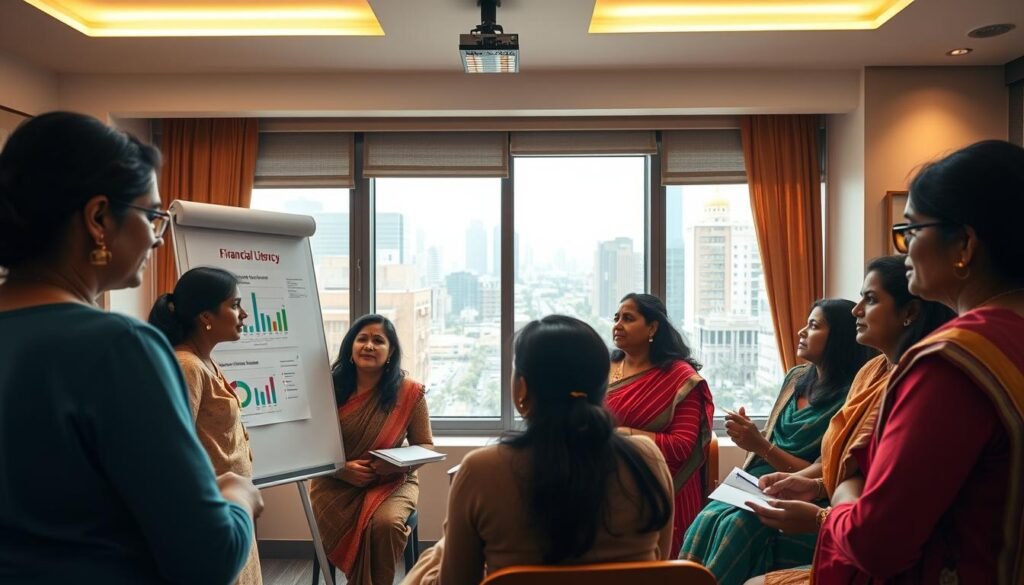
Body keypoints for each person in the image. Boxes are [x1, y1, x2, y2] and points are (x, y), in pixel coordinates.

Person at [0, 111, 261, 584]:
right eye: (153, 216)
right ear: (99, 218)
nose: (157, 238)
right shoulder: (120, 349)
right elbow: (209, 558)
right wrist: (238, 497)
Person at [813, 140, 1024, 584]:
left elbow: (877, 543)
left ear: (965, 243)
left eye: (910, 231)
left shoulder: (956, 361)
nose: (904, 249)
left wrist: (843, 495)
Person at [402, 315, 675, 585]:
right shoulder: (647, 458)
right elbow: (659, 564)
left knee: (434, 557)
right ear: (602, 386)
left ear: (522, 389)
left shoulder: (482, 470)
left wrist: (439, 553)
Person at [743, 255, 955, 585]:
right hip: (840, 514)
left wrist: (822, 512)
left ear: (910, 313)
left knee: (741, 529)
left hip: (872, 541)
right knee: (716, 517)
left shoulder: (923, 384)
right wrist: (813, 484)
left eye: (869, 300)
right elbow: (837, 462)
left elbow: (874, 490)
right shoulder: (870, 373)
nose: (856, 310)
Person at [679, 298, 874, 585]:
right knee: (707, 518)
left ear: (840, 337)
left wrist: (760, 446)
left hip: (806, 491)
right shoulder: (796, 378)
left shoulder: (853, 395)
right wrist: (751, 439)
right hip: (759, 481)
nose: (801, 333)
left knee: (737, 524)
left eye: (814, 326)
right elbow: (769, 438)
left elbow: (825, 467)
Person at [148, 266, 262, 585]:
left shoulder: (205, 360)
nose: (243, 315)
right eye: (235, 305)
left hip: (232, 507)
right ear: (206, 316)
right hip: (211, 512)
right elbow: (173, 449)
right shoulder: (187, 366)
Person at [309, 314, 433, 585]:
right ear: (350, 348)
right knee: (354, 521)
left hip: (392, 481)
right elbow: (308, 444)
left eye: (378, 341)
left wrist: (396, 465)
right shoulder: (327, 388)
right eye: (362, 339)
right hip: (334, 483)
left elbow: (424, 444)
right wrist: (340, 470)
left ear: (390, 353)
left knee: (385, 525)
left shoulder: (409, 392)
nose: (369, 346)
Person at [604, 293, 715, 552]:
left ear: (653, 327)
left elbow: (681, 446)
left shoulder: (680, 378)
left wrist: (623, 434)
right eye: (616, 318)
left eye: (628, 318)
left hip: (664, 485)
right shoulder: (606, 365)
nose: (618, 325)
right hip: (606, 479)